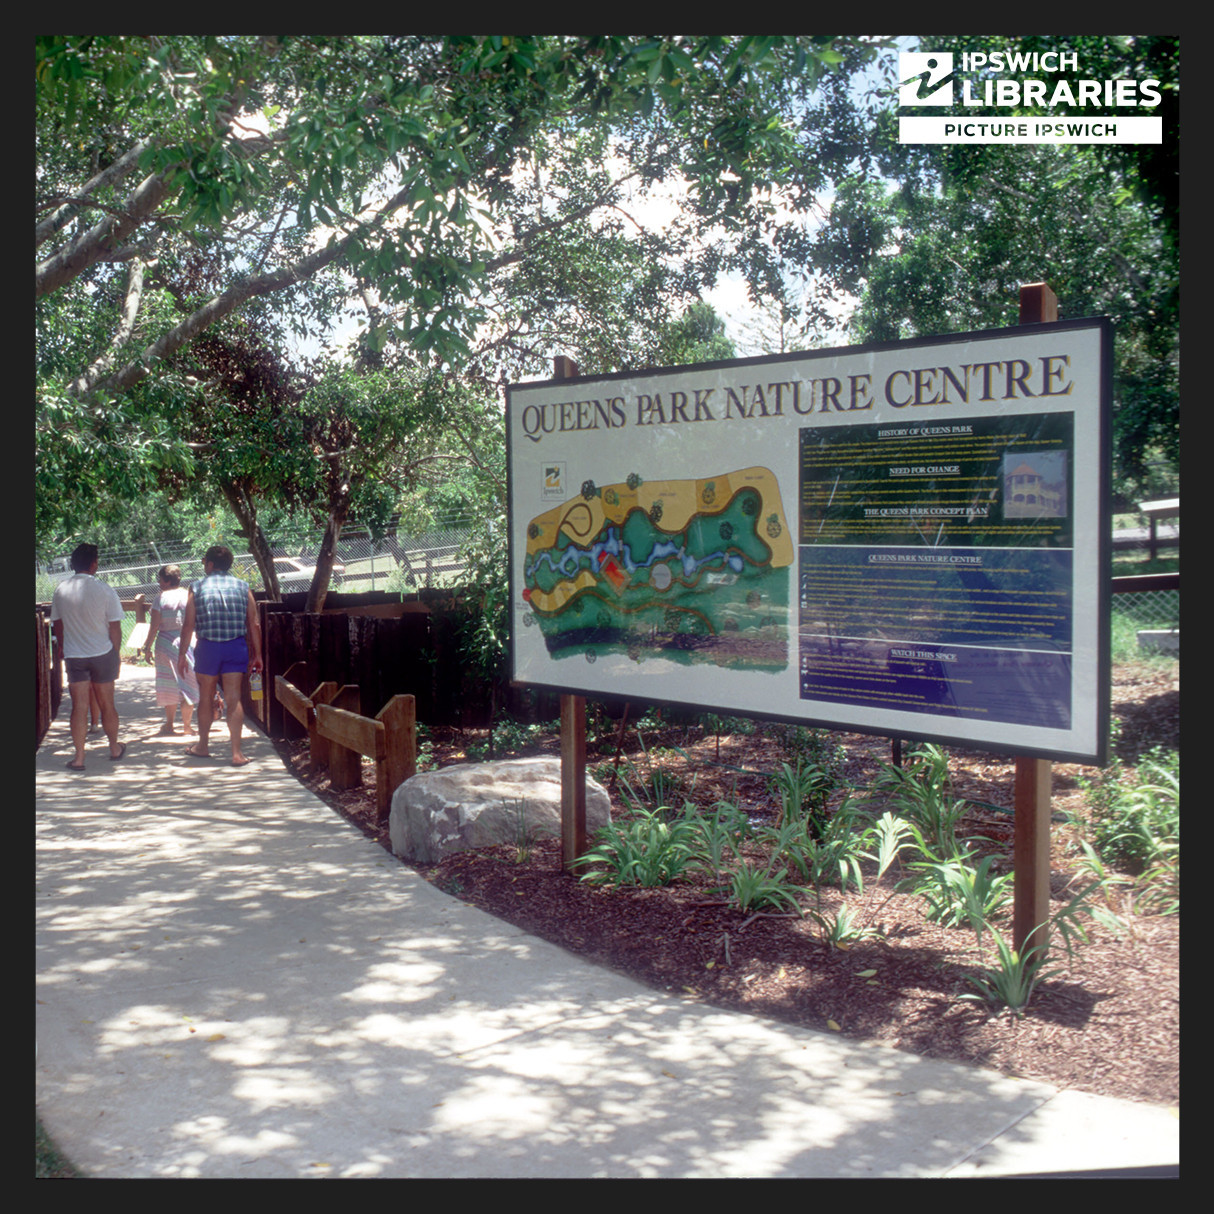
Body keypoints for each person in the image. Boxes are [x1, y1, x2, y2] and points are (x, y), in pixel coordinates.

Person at [178, 545, 263, 767]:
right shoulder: (243, 587)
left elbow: (188, 626)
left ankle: (203, 746)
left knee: (206, 697)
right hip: (236, 647)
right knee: (234, 698)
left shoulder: (196, 587)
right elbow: (254, 624)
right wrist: (258, 654)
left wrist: (181, 655)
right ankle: (237, 753)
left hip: (207, 647)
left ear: (210, 564)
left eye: (205, 561)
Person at [49, 543, 126, 770]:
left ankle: (79, 757)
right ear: (94, 563)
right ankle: (114, 747)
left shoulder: (61, 590)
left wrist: (63, 647)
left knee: (79, 707)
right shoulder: (104, 589)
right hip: (102, 653)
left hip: (75, 656)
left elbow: (57, 624)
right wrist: (116, 652)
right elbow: (115, 627)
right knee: (107, 704)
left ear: (73, 564)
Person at [142, 565, 199, 736]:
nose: (159, 583)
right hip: (189, 641)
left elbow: (155, 626)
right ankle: (187, 726)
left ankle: (170, 724)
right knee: (188, 682)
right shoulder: (188, 595)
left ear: (166, 581)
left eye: (160, 579)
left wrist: (147, 647)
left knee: (169, 683)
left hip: (166, 643)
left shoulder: (160, 598)